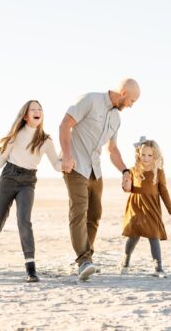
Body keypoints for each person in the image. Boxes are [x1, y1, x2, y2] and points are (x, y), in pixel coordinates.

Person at [59, 78, 140, 281]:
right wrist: (67, 155)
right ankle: (84, 261)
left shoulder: (116, 119)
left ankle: (87, 259)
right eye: (132, 100)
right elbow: (65, 124)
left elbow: (112, 150)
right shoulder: (91, 100)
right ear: (123, 92)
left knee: (95, 214)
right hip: (76, 165)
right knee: (79, 211)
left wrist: (125, 171)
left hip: (95, 169)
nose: (131, 105)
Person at [0, 100, 62, 282]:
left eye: (40, 109)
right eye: (34, 109)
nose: (38, 112)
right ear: (25, 115)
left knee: (24, 220)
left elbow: (56, 165)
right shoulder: (16, 134)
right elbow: (3, 157)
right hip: (8, 177)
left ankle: (30, 268)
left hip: (28, 182)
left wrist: (66, 162)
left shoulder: (46, 140)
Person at [118, 138, 171, 278]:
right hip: (136, 206)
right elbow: (128, 189)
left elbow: (163, 191)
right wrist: (126, 185)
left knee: (154, 236)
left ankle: (159, 268)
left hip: (152, 207)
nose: (146, 158)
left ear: (155, 156)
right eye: (143, 154)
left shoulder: (159, 172)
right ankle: (125, 263)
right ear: (138, 154)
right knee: (133, 237)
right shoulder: (133, 171)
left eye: (149, 155)